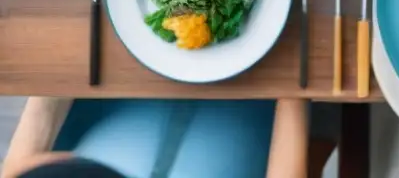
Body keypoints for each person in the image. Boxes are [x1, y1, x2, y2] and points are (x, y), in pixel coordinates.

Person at [0, 97, 308, 178]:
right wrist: (294, 93)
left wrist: (64, 68)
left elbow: (17, 170)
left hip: (117, 98)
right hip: (252, 108)